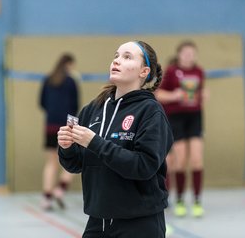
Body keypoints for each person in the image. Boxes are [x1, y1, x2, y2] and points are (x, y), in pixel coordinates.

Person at [57, 41, 173, 238]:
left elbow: (144, 166)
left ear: (143, 72)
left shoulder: (150, 111)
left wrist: (94, 142)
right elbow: (76, 164)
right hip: (98, 222)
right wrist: (67, 147)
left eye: (127, 57)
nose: (117, 61)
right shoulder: (92, 109)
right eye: (116, 56)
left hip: (140, 223)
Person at [155, 40, 206, 218]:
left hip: (195, 117)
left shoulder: (199, 72)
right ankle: (180, 200)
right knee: (180, 160)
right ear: (179, 54)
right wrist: (175, 95)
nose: (189, 56)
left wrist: (202, 96)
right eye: (185, 53)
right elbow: (159, 94)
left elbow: (200, 94)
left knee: (197, 159)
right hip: (176, 118)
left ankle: (198, 200)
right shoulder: (171, 71)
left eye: (192, 53)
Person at [39, 53, 79, 210]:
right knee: (75, 159)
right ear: (69, 64)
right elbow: (75, 105)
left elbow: (42, 102)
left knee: (51, 162)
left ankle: (47, 198)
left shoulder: (47, 79)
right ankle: (61, 189)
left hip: (50, 124)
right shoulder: (71, 81)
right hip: (67, 124)